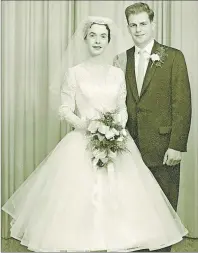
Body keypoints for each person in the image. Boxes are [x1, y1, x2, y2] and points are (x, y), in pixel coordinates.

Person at [2, 16, 188, 252]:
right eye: (93, 36)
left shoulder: (117, 73)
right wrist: (86, 125)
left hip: (116, 141)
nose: (98, 41)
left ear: (109, 41)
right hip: (82, 142)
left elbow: (122, 107)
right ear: (85, 39)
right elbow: (65, 109)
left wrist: (116, 127)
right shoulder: (74, 73)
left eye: (103, 36)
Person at [114, 2, 192, 252]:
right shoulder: (121, 59)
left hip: (163, 148)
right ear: (128, 27)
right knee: (133, 212)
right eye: (133, 25)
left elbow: (182, 103)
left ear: (153, 24)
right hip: (130, 149)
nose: (138, 30)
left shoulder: (173, 56)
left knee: (163, 213)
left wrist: (177, 146)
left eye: (143, 24)